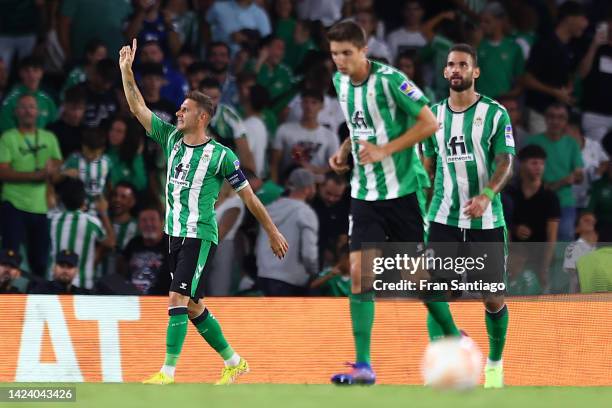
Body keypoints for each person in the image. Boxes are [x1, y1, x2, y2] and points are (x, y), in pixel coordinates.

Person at [119, 38, 288, 385]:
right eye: (179, 108)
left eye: (184, 109)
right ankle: (234, 361)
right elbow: (138, 108)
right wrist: (126, 72)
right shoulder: (170, 139)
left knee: (177, 296)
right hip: (174, 234)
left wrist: (272, 231)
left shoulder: (222, 155)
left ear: (203, 116)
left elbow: (250, 198)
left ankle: (167, 373)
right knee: (193, 305)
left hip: (200, 234)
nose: (178, 112)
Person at [326, 21, 447, 386]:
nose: (341, 61)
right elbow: (357, 125)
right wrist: (344, 149)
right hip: (364, 195)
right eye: (334, 54)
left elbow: (429, 123)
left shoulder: (391, 80)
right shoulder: (340, 83)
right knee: (361, 276)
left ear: (364, 50)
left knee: (417, 279)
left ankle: (455, 337)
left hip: (403, 193)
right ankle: (364, 365)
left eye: (347, 53)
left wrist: (385, 151)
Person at [422, 44, 516, 388]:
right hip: (444, 217)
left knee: (492, 297)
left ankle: (494, 363)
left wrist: (487, 195)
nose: (456, 69)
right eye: (451, 65)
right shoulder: (432, 116)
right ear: (445, 72)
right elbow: (426, 169)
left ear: (475, 72)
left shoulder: (494, 113)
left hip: (486, 221)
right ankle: (444, 358)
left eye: (463, 64)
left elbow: (506, 162)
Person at [0, 94, 62, 278]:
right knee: (9, 258)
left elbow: (57, 168)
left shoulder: (49, 138)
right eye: (24, 107)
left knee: (40, 261)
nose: (28, 111)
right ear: (16, 112)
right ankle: (5, 296)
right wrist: (36, 175)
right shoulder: (8, 138)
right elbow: (3, 173)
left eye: (32, 107)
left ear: (38, 112)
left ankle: (38, 299)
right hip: (13, 204)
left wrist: (54, 172)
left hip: (40, 206)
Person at [523, 1, 588, 133]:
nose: (586, 23)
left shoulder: (573, 46)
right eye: (583, 18)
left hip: (562, 114)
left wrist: (568, 90)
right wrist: (554, 92)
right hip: (540, 111)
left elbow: (574, 74)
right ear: (569, 18)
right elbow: (526, 79)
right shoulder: (545, 44)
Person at [525, 103, 584, 242]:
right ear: (545, 118)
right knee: (536, 240)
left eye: (561, 117)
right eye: (551, 116)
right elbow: (526, 175)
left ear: (566, 121)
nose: (556, 121)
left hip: (564, 201)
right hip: (538, 200)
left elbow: (579, 176)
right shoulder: (532, 141)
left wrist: (576, 176)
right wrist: (563, 181)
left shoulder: (571, 143)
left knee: (564, 237)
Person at [505, 145, 560, 290]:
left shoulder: (550, 197)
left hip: (540, 252)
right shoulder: (510, 193)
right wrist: (515, 229)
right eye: (534, 163)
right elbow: (504, 227)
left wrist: (545, 267)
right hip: (514, 250)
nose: (539, 168)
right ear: (522, 164)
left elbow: (552, 236)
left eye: (542, 164)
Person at [256, 168, 318, 296]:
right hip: (291, 280)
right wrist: (314, 272)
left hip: (264, 275)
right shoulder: (305, 212)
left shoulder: (268, 209)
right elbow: (308, 254)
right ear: (308, 189)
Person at [48, 178, 115, 289]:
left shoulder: (53, 220)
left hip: (54, 284)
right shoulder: (91, 222)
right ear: (83, 201)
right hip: (83, 287)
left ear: (62, 200)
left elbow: (50, 200)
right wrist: (104, 213)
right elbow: (111, 243)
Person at [271, 89, 339, 183]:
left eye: (314, 103)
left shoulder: (330, 136)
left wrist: (314, 169)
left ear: (321, 106)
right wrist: (274, 187)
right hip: (288, 183)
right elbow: (274, 163)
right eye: (306, 102)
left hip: (316, 185)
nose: (309, 106)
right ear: (301, 104)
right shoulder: (284, 130)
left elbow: (334, 166)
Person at [199, 77, 256, 173]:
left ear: (220, 96)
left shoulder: (230, 117)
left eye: (215, 98)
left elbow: (245, 151)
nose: (211, 103)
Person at [476, 2, 524, 99]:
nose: (482, 25)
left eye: (487, 21)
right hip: (479, 101)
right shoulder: (478, 45)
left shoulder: (513, 47)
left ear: (499, 21)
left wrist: (508, 96)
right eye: (481, 22)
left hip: (502, 103)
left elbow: (520, 80)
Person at [119, 206, 171, 295]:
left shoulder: (171, 244)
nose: (148, 224)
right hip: (132, 299)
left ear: (162, 223)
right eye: (144, 220)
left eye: (153, 219)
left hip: (162, 300)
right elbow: (121, 267)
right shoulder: (133, 243)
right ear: (138, 224)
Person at [578, 10, 612, 143]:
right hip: (594, 114)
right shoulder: (593, 45)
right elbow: (582, 73)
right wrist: (594, 45)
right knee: (595, 156)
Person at [0, 56, 58, 132]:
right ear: (21, 73)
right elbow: (6, 132)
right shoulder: (10, 101)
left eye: (35, 70)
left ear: (41, 73)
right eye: (27, 71)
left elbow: (55, 129)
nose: (31, 75)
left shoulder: (48, 101)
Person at [63, 127, 111, 209]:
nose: (90, 156)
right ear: (83, 146)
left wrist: (106, 199)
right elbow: (56, 177)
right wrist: (65, 173)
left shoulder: (107, 162)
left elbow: (109, 183)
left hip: (97, 209)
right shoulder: (74, 159)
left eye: (95, 154)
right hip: (76, 207)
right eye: (88, 152)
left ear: (102, 149)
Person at [311, 171, 349, 268]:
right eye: (328, 193)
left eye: (337, 196)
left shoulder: (342, 209)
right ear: (320, 187)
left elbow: (342, 238)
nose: (331, 199)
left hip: (326, 256)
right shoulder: (309, 201)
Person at [48, 86, 87, 158]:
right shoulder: (52, 131)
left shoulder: (87, 132)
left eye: (80, 108)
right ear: (64, 106)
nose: (77, 114)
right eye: (73, 109)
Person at [563, 213, 598, 292]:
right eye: (586, 220)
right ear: (577, 228)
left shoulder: (601, 248)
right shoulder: (572, 247)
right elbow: (574, 273)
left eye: (593, 221)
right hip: (579, 299)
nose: (591, 222)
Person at [207, 42, 239, 108]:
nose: (218, 59)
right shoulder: (201, 83)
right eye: (214, 55)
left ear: (229, 59)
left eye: (223, 55)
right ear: (208, 58)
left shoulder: (237, 84)